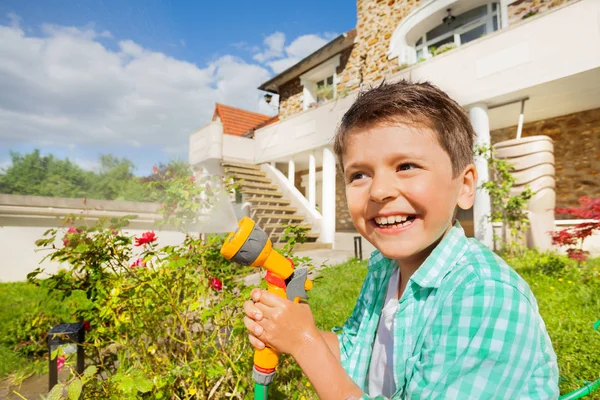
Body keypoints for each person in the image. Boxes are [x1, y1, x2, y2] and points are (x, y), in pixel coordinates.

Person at [243, 80, 559, 399]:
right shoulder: (385, 266)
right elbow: (355, 350)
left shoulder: (485, 296)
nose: (379, 191)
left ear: (464, 186)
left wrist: (305, 343)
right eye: (359, 175)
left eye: (406, 166)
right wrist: (291, 329)